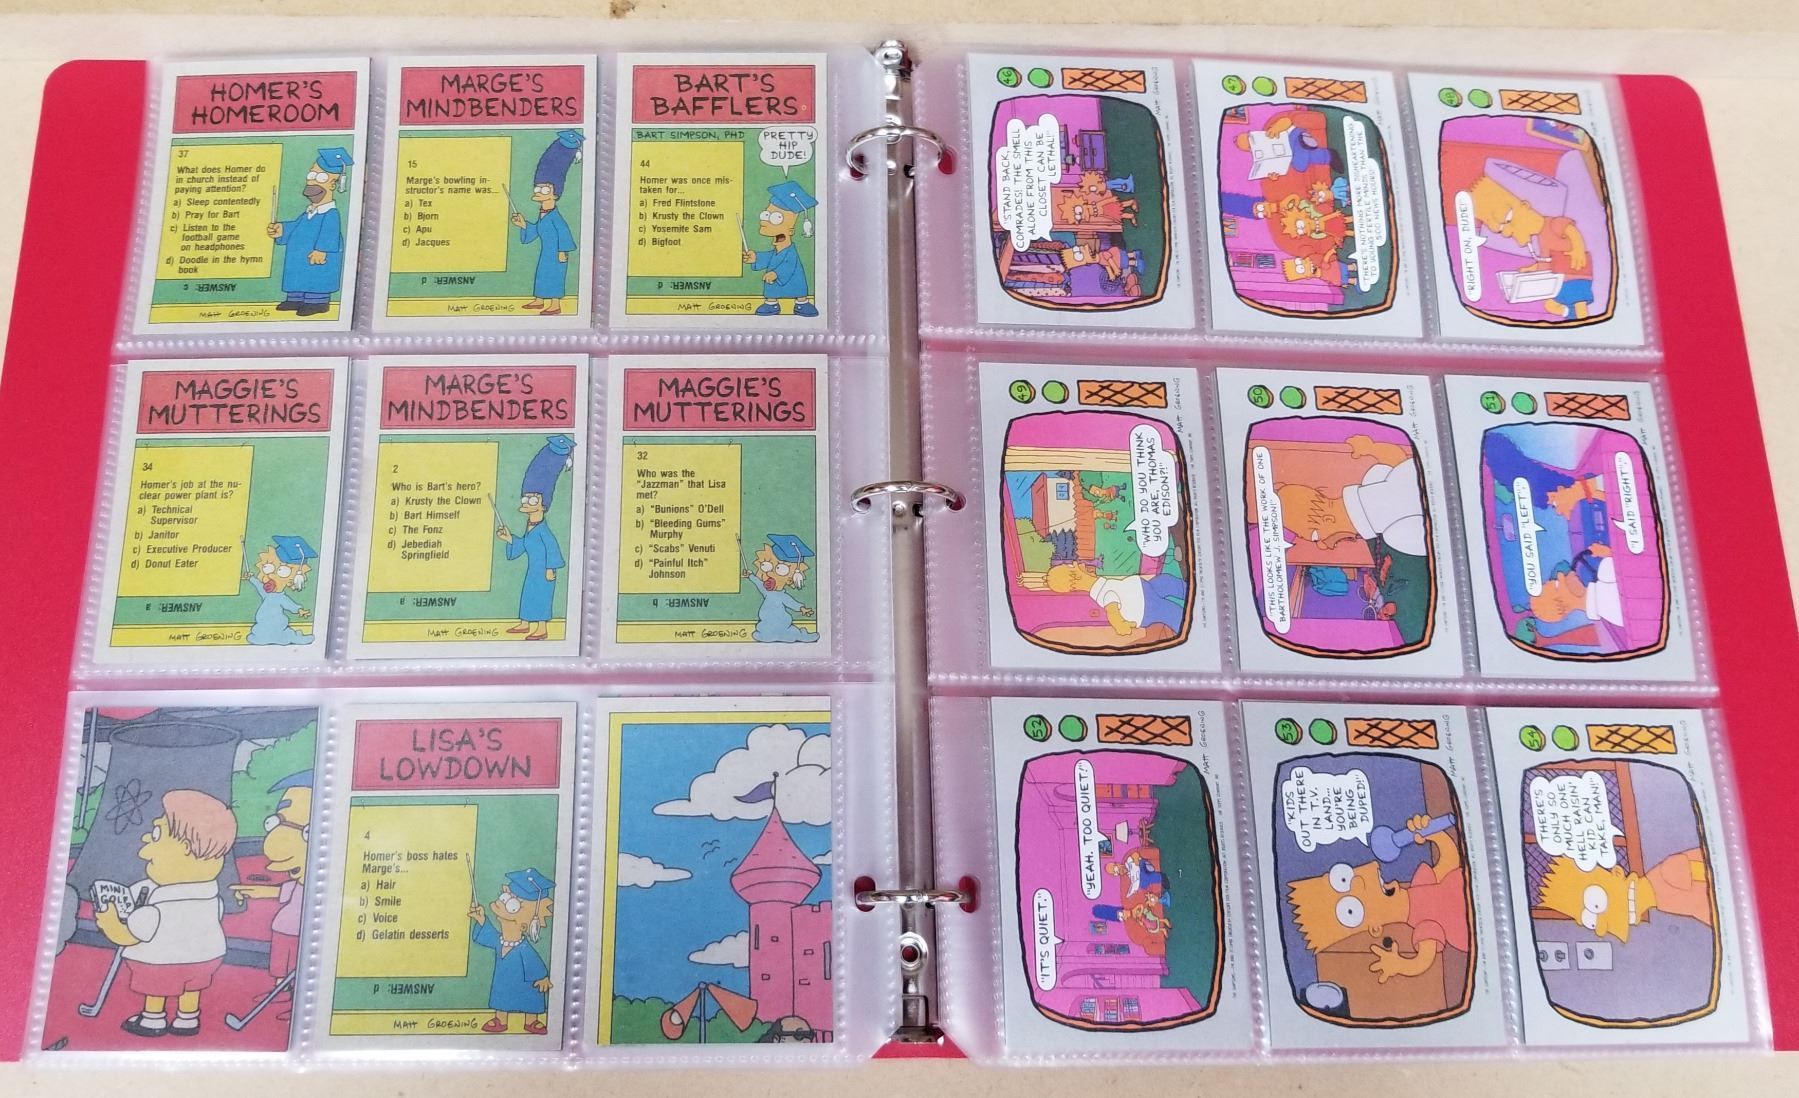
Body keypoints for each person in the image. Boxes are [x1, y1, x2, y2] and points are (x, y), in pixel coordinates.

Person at [93, 790, 235, 1038]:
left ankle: (152, 1019)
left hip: (161, 963)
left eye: (157, 834)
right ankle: (187, 1019)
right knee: (191, 989)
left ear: (186, 849)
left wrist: (110, 923)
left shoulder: (155, 910)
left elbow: (128, 936)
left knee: (156, 988)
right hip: (207, 959)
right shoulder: (211, 897)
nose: (147, 839)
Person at [1285, 813, 1467, 984]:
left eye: (1342, 879)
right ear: (1375, 928)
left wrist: (1433, 833)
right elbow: (1422, 961)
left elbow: (1450, 862)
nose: (1358, 883)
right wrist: (1398, 964)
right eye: (1350, 910)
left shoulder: (1422, 884)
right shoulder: (1425, 924)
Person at [229, 771, 312, 1021]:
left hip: (299, 934)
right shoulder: (296, 885)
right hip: (282, 930)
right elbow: (279, 892)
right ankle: (279, 989)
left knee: (299, 969)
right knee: (280, 965)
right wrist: (254, 892)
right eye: (277, 821)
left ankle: (296, 1001)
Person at [1536, 847, 1715, 943]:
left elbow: (1716, 881)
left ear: (1617, 873)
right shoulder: (1661, 900)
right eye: (1591, 922)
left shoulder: (1669, 873)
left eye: (1596, 905)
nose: (1601, 928)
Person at [497, 435, 574, 641]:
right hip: (533, 571)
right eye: (525, 498)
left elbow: (552, 549)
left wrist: (550, 569)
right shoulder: (531, 528)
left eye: (532, 499)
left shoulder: (543, 531)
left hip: (543, 572)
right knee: (528, 595)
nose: (526, 502)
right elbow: (524, 544)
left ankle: (541, 628)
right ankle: (525, 623)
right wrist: (509, 539)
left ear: (542, 504)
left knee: (541, 597)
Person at [468, 868, 556, 1034]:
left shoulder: (524, 948)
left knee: (530, 998)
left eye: (512, 904)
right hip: (504, 980)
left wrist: (542, 977)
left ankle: (531, 1021)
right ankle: (500, 1019)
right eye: (504, 897)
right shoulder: (500, 940)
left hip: (526, 983)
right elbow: (490, 936)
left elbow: (534, 962)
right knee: (501, 994)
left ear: (525, 922)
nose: (501, 902)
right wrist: (481, 920)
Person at [267, 147, 352, 317]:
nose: (313, 181)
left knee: (316, 276)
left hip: (318, 255)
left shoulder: (330, 214)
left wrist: (322, 250)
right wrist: (281, 229)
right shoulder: (308, 212)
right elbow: (297, 226)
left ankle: (317, 302)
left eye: (320, 177)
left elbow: (330, 233)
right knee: (298, 273)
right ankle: (295, 298)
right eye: (312, 175)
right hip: (301, 255)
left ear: (332, 184)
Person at [513, 130, 583, 315]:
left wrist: (562, 252)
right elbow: (537, 230)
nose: (538, 192)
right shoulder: (543, 214)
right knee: (542, 274)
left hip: (556, 254)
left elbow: (564, 234)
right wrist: (523, 225)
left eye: (544, 190)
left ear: (555, 194)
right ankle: (539, 300)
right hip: (546, 253)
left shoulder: (556, 217)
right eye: (538, 189)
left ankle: (555, 305)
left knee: (554, 276)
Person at [1043, 559, 1186, 643]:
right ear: (1074, 578)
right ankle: (1190, 622)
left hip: (1144, 590)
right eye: (1071, 567)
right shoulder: (1102, 592)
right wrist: (1119, 623)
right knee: (1171, 612)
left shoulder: (1101, 584)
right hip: (1144, 606)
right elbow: (1112, 608)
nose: (1077, 563)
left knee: (1166, 582)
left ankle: (1190, 592)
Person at [742, 180, 819, 317]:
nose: (764, 220)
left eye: (775, 217)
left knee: (795, 286)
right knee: (772, 287)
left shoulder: (790, 251)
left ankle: (802, 303)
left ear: (790, 230)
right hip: (774, 279)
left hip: (788, 279)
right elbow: (772, 257)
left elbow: (789, 265)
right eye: (765, 215)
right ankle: (771, 303)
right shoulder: (778, 247)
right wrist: (756, 257)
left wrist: (776, 274)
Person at [745, 534, 820, 643]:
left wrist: (802, 608)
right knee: (764, 631)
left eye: (780, 569)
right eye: (767, 566)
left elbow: (791, 602)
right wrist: (750, 575)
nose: (770, 573)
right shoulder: (767, 591)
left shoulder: (782, 596)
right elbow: (758, 583)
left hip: (782, 623)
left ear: (791, 578)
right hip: (766, 623)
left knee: (788, 632)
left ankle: (799, 635)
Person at [244, 536, 316, 646]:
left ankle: (291, 636)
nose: (272, 575)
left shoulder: (280, 597)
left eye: (282, 571)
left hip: (278, 625)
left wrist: (299, 610)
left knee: (281, 634)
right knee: (260, 633)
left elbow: (289, 604)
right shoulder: (267, 593)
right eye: (269, 567)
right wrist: (251, 578)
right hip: (263, 624)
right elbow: (259, 585)